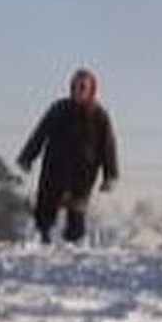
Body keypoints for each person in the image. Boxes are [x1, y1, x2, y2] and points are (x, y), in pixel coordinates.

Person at [16, 68, 118, 244]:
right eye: (75, 86)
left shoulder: (99, 116)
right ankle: (43, 239)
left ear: (91, 89)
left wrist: (110, 175)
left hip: (83, 172)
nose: (78, 91)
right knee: (46, 207)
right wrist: (27, 157)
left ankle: (73, 247)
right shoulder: (59, 109)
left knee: (76, 213)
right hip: (55, 167)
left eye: (82, 87)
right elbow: (40, 133)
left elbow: (108, 147)